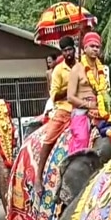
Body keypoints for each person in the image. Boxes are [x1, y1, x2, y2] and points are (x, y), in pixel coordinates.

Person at [35, 38, 77, 196]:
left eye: (70, 50)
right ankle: (38, 177)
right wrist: (70, 90)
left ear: (74, 49)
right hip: (64, 109)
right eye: (65, 51)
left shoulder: (82, 66)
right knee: (49, 138)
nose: (68, 53)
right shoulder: (58, 70)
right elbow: (54, 96)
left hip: (83, 108)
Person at [66, 32, 111, 153]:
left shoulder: (103, 69)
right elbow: (70, 97)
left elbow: (106, 92)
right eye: (92, 46)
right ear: (85, 48)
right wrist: (89, 106)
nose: (95, 49)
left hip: (101, 110)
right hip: (82, 111)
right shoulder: (77, 69)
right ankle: (76, 167)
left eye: (97, 47)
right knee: (82, 138)